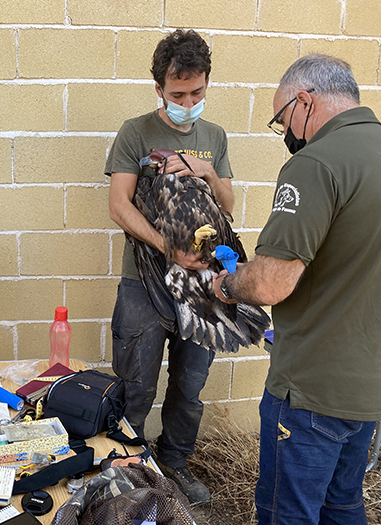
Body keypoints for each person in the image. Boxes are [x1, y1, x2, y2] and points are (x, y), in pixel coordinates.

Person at [213, 54, 381, 524]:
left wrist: (228, 283)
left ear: (304, 101)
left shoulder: (316, 165)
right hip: (368, 391)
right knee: (344, 504)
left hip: (311, 393)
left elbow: (269, 283)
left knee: (288, 512)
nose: (285, 132)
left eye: (282, 119)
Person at [106, 29, 234, 505]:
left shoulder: (215, 137)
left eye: (197, 92)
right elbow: (119, 205)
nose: (188, 101)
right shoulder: (135, 132)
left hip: (201, 284)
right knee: (135, 382)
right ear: (158, 88)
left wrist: (208, 173)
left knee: (191, 384)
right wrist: (166, 247)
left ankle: (174, 462)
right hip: (144, 283)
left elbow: (229, 206)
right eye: (178, 94)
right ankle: (129, 465)